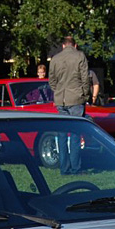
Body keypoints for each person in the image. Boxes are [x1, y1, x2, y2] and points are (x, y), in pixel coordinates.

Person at [48, 35, 91, 174]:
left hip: (61, 99)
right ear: (75, 45)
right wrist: (85, 95)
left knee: (61, 134)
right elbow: (85, 78)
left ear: (63, 46)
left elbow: (51, 81)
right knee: (75, 134)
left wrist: (58, 91)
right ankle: (75, 167)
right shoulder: (80, 56)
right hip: (76, 98)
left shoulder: (55, 59)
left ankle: (64, 168)